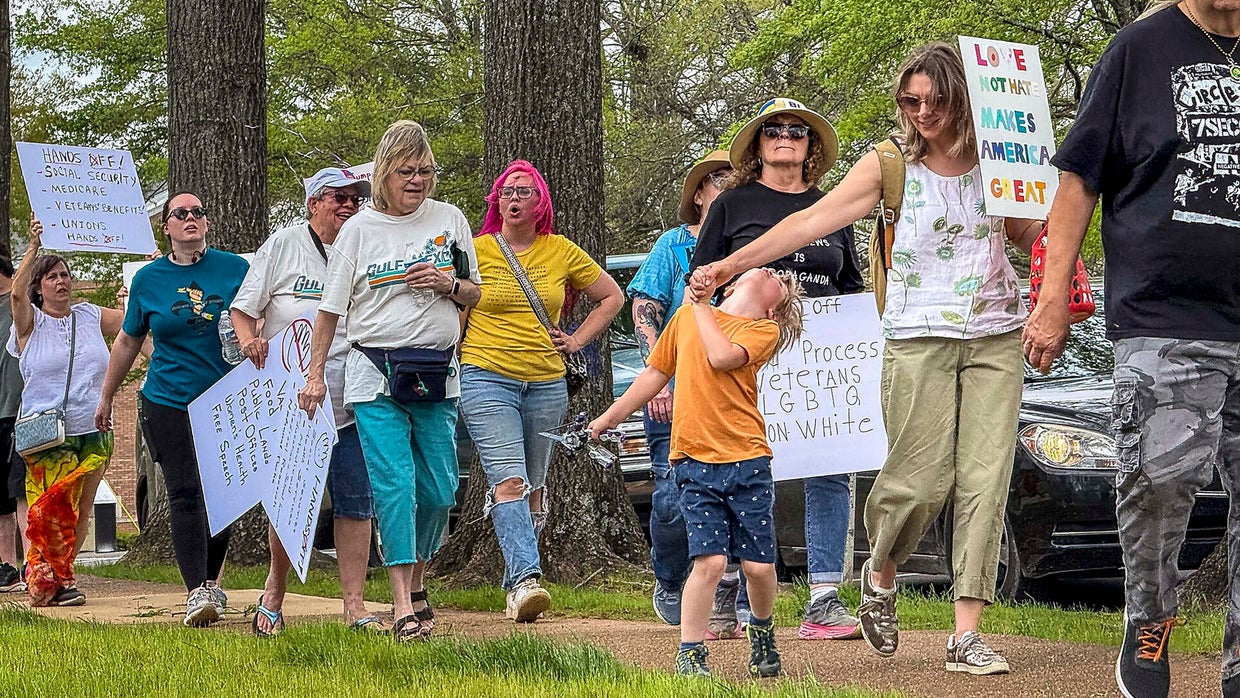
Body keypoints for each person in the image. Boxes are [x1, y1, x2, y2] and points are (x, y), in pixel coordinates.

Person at [691, 43, 1043, 675]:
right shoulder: (888, 164)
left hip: (996, 330)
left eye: (936, 100)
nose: (924, 112)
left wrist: (1058, 232)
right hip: (917, 334)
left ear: (962, 97)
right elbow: (812, 221)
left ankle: (965, 634)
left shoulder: (997, 154)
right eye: (911, 100)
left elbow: (1024, 232)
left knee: (986, 480)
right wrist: (731, 263)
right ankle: (880, 571)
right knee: (922, 479)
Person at [1022, 2, 1240, 696]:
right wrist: (1053, 299)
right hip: (1163, 314)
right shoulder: (1138, 49)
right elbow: (1079, 179)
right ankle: (1149, 619)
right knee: (1159, 484)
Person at [298, 120, 482, 642]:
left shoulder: (449, 220)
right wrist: (314, 375)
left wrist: (449, 283)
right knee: (395, 485)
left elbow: (476, 294)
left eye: (425, 170)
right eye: (406, 171)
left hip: (435, 373)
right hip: (374, 374)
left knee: (441, 489)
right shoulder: (358, 231)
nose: (417, 180)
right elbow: (330, 312)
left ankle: (418, 577)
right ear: (384, 174)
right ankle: (402, 604)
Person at [690, 97, 866, 641]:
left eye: (798, 131)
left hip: (822, 357)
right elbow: (702, 281)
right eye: (774, 130)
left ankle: (824, 598)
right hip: (747, 355)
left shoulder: (832, 206)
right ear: (757, 145)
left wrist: (861, 340)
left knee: (830, 467)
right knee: (751, 467)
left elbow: (851, 283)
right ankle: (739, 592)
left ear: (812, 147)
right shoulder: (733, 203)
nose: (785, 137)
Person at [590, 267, 805, 678]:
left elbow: (720, 356)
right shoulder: (687, 317)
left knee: (758, 567)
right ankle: (690, 652)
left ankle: (761, 629)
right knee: (708, 561)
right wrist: (609, 418)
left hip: (747, 460)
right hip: (692, 460)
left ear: (774, 306)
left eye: (777, 275)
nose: (767, 268)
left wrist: (702, 304)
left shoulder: (763, 331)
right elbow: (655, 373)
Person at [459, 159, 623, 622]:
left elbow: (612, 297)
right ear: (496, 202)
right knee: (509, 480)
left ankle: (515, 585)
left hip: (547, 382)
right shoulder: (477, 250)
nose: (513, 198)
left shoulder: (561, 250)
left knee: (534, 487)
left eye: (523, 191)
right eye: (506, 191)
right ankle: (528, 579)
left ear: (540, 203)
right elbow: (455, 309)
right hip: (485, 374)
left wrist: (576, 340)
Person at [230, 166, 376, 636]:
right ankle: (274, 590)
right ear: (314, 203)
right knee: (290, 503)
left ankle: (354, 605)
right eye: (340, 198)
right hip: (294, 404)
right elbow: (243, 307)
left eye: (356, 199)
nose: (350, 206)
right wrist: (249, 339)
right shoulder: (284, 244)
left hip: (353, 398)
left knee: (356, 503)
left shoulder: (366, 244)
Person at [95, 192, 250, 627]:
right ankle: (197, 591)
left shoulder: (235, 269)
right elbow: (127, 340)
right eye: (180, 213)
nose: (190, 218)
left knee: (225, 499)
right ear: (166, 226)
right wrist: (106, 396)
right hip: (167, 400)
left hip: (225, 401)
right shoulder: (149, 279)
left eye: (198, 212)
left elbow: (258, 319)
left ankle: (211, 585)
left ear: (206, 222)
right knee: (184, 492)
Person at [626, 148, 732, 626]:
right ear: (699, 194)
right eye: (717, 178)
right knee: (670, 499)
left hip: (731, 392)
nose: (727, 184)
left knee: (737, 495)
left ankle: (730, 597)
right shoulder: (673, 246)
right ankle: (668, 580)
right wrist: (659, 377)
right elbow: (643, 307)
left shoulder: (747, 243)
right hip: (674, 389)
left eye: (735, 177)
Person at [11, 217, 138, 606]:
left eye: (65, 274)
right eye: (51, 277)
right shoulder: (30, 323)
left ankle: (64, 578)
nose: (62, 281)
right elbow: (15, 297)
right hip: (45, 434)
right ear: (39, 287)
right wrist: (33, 246)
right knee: (47, 508)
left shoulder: (89, 315)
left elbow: (134, 327)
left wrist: (131, 298)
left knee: (81, 509)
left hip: (93, 428)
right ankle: (41, 578)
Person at [0, 256, 27, 594]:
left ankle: (32, 565)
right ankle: (7, 566)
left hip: (23, 412)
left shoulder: (21, 303)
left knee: (22, 491)